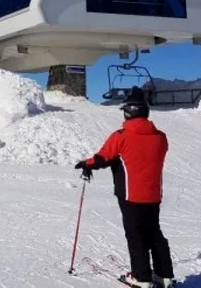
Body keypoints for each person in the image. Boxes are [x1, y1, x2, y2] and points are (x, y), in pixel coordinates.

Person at [75, 86, 175, 288]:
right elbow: (136, 156)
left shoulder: (121, 136)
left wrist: (87, 164)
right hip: (153, 194)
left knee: (136, 235)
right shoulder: (160, 137)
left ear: (129, 111)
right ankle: (164, 276)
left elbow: (103, 157)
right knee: (153, 232)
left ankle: (141, 277)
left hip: (130, 195)